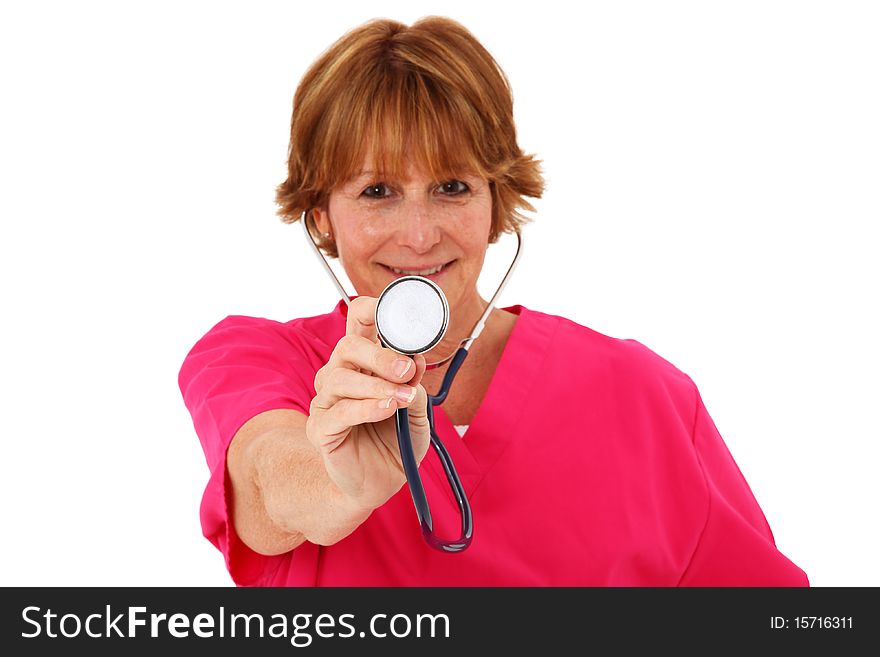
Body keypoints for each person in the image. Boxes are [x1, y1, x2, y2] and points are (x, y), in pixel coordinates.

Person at [178, 16, 808, 586]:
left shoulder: (645, 394)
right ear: (321, 218)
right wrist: (337, 482)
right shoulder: (253, 359)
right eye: (377, 191)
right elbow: (264, 486)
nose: (420, 235)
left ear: (496, 202)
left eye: (452, 186)